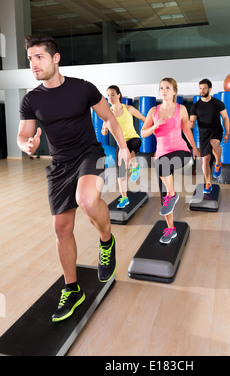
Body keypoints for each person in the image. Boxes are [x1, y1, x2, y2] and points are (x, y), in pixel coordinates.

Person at [17, 34, 131, 322]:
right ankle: (72, 288)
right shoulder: (31, 100)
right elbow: (23, 134)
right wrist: (25, 145)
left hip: (89, 154)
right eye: (31, 59)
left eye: (39, 57)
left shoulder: (83, 89)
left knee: (87, 199)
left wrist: (123, 148)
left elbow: (110, 119)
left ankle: (106, 241)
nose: (34, 64)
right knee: (61, 228)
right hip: (59, 165)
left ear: (56, 58)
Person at [141, 78, 200, 244]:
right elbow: (143, 133)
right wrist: (154, 126)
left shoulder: (181, 109)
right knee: (164, 196)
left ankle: (172, 194)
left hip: (180, 151)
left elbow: (187, 130)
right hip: (162, 154)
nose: (164, 90)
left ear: (174, 91)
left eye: (167, 87)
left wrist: (194, 148)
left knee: (162, 164)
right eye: (161, 88)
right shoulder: (153, 111)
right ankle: (170, 228)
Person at [102, 85, 145, 208]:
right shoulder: (108, 114)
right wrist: (104, 129)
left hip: (134, 139)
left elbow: (143, 118)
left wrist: (152, 128)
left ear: (119, 95)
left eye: (113, 94)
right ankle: (124, 197)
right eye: (108, 95)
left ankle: (135, 167)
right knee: (120, 172)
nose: (110, 97)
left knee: (129, 147)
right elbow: (103, 131)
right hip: (121, 145)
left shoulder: (129, 108)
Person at [189, 78, 230, 194]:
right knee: (205, 159)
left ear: (210, 89)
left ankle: (217, 163)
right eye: (200, 88)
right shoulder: (195, 106)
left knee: (214, 143)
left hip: (216, 130)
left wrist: (227, 132)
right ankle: (208, 183)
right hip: (203, 133)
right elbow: (192, 121)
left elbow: (225, 118)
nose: (202, 90)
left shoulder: (218, 103)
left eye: (204, 88)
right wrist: (189, 124)